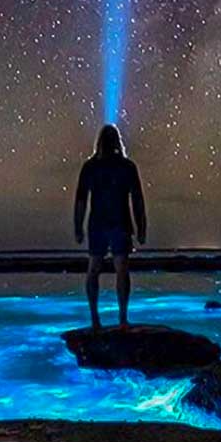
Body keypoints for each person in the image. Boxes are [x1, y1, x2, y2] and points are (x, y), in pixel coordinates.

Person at [73, 124, 147, 330]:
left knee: (96, 269)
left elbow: (80, 200)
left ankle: (98, 318)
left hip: (104, 223)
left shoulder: (94, 167)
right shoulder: (124, 167)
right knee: (118, 270)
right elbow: (138, 201)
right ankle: (119, 318)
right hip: (114, 224)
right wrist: (141, 228)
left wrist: (78, 226)